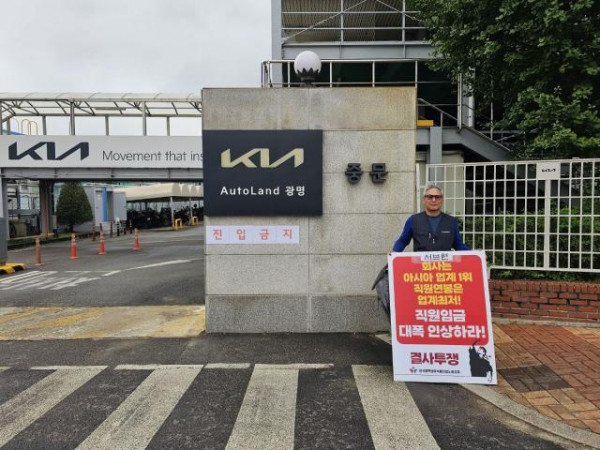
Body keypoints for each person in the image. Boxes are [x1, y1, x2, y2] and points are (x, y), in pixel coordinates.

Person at [392, 184, 470, 252]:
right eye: (430, 197)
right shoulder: (413, 220)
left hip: (444, 266)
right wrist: (394, 252)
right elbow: (402, 241)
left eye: (437, 197)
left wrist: (474, 254)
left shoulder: (451, 222)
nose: (433, 200)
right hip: (421, 266)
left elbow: (458, 245)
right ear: (423, 200)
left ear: (442, 200)